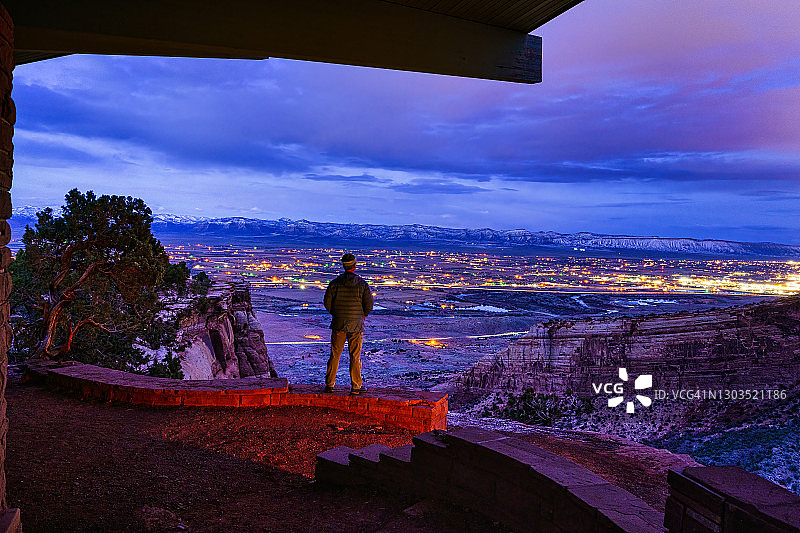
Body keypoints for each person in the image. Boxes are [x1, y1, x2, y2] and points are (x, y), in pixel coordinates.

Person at [323, 253, 374, 395]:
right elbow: (369, 305)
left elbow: (327, 302)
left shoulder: (334, 283)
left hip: (338, 324)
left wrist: (337, 314)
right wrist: (361, 316)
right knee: (355, 356)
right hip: (356, 326)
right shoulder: (362, 284)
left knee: (335, 354)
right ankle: (356, 386)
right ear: (354, 266)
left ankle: (329, 384)